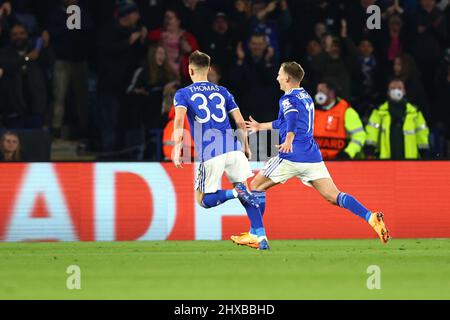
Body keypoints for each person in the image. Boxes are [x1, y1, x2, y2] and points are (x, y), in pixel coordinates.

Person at [232, 62, 390, 248]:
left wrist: (289, 139)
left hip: (291, 155)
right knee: (334, 196)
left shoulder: (287, 99)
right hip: (312, 156)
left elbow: (290, 119)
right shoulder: (305, 96)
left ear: (288, 78)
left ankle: (256, 235)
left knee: (256, 186)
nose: (277, 78)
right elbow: (285, 121)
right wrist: (262, 126)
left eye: (279, 74)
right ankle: (370, 217)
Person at [172, 50, 270, 250]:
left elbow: (179, 121)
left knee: (203, 200)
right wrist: (245, 147)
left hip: (211, 152)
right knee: (247, 195)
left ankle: (235, 193)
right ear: (209, 69)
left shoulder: (182, 94)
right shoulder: (223, 91)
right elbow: (240, 122)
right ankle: (261, 238)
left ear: (190, 70)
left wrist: (177, 148)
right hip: (233, 148)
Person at [365, 78, 430, 160]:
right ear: (388, 92)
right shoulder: (379, 113)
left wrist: (424, 153)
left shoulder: (415, 113)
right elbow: (372, 133)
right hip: (386, 161)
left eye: (399, 88)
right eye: (392, 88)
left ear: (404, 91)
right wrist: (370, 150)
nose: (396, 91)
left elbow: (422, 135)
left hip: (409, 161)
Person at [314, 80, 366, 160]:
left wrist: (348, 153)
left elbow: (359, 135)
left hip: (338, 162)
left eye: (322, 91)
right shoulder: (312, 110)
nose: (318, 94)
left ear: (331, 92)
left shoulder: (346, 111)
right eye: (318, 91)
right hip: (314, 162)